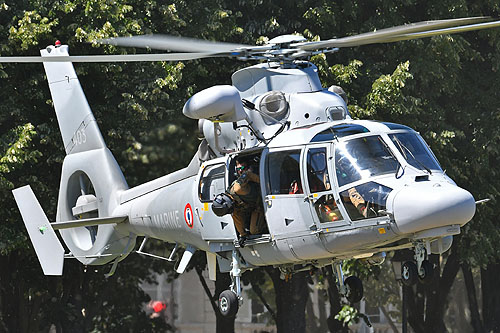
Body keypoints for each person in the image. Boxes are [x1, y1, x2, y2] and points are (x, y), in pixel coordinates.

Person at [228, 158, 266, 247]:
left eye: (243, 168)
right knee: (234, 211)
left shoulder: (253, 179)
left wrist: (263, 182)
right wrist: (242, 234)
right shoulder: (236, 186)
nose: (240, 172)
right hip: (253, 208)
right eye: (238, 169)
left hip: (261, 205)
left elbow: (249, 176)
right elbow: (235, 212)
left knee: (254, 231)